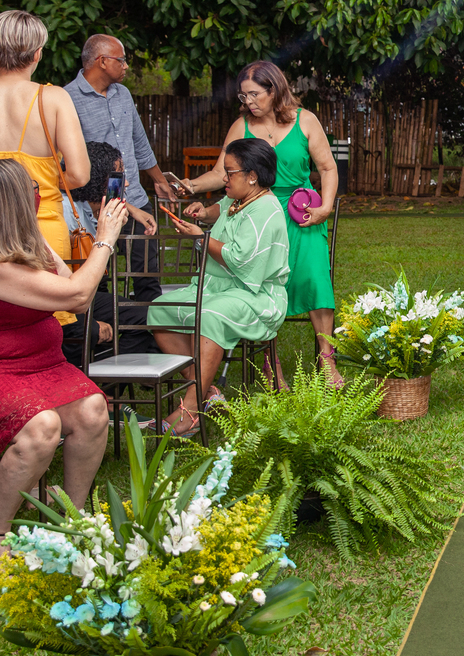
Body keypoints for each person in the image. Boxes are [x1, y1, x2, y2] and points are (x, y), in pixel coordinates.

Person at [183, 61, 342, 388]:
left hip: (301, 212)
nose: (248, 102)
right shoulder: (240, 126)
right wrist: (192, 185)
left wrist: (325, 207)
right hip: (257, 210)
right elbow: (220, 173)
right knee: (265, 283)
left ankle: (327, 360)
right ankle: (271, 362)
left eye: (254, 94)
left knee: (315, 277)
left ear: (274, 89)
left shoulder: (305, 120)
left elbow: (327, 168)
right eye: (243, 97)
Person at [0, 158, 127, 536]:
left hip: (44, 365)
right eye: (33, 191)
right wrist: (104, 237)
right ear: (18, 203)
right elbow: (79, 294)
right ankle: (1, 534)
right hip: (5, 370)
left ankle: (70, 520)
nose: (40, 196)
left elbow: (78, 294)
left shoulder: (29, 240)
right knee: (43, 427)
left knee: (92, 410)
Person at [148, 138, 290, 436]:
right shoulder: (238, 198)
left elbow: (241, 262)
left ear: (252, 175)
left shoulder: (265, 209)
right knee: (160, 310)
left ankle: (190, 408)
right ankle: (208, 390)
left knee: (208, 315)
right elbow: (221, 210)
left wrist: (201, 238)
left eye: (230, 172)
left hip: (256, 295)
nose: (224, 178)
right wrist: (203, 212)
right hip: (217, 287)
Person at [0, 10, 91, 327]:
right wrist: (44, 181)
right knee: (46, 323)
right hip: (43, 230)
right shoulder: (52, 98)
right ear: (37, 53)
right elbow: (79, 175)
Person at [65, 34, 171, 302]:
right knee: (95, 277)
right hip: (94, 206)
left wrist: (159, 180)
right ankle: (101, 335)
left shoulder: (122, 94)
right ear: (102, 61)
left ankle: (148, 334)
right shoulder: (67, 99)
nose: (125, 66)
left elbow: (139, 141)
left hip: (134, 197)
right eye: (121, 60)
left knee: (147, 275)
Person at [59, 142, 159, 373]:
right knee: (89, 329)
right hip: (65, 296)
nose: (125, 183)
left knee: (147, 317)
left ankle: (108, 390)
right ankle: (83, 383)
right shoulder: (64, 210)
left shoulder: (93, 209)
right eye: (117, 176)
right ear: (96, 179)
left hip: (88, 293)